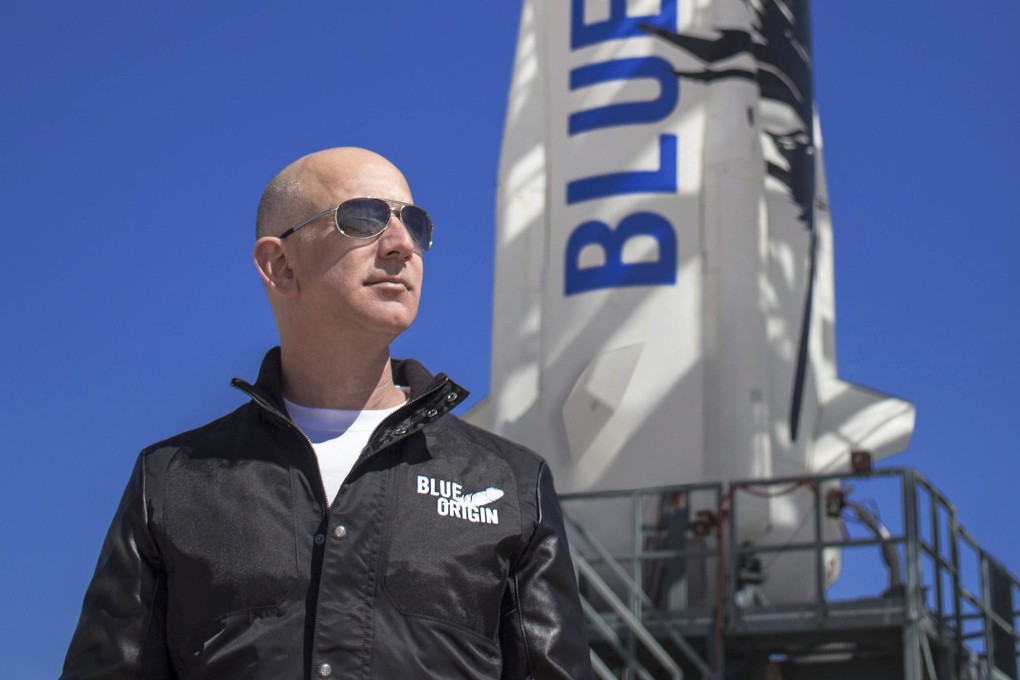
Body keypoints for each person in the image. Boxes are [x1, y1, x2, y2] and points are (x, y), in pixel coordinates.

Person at [61, 147, 593, 679]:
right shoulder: (174, 483)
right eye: (365, 218)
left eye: (415, 222)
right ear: (280, 264)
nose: (401, 244)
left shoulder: (511, 485)